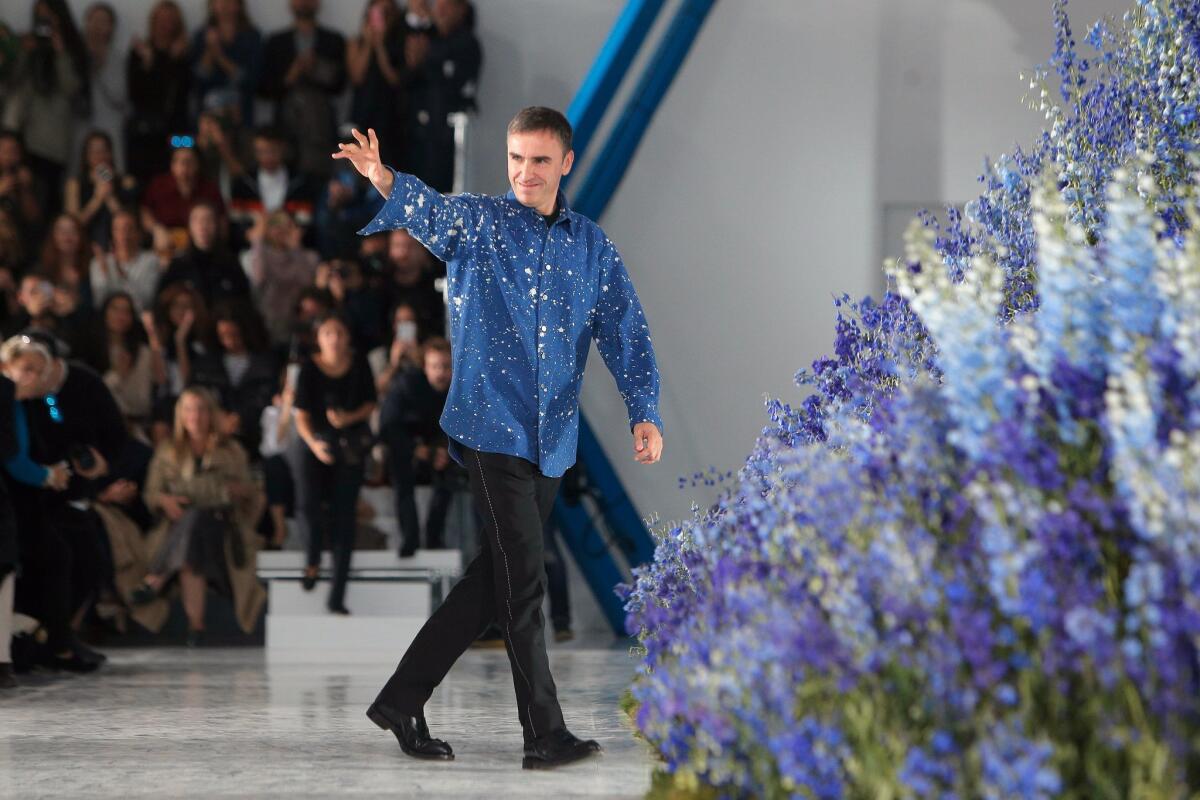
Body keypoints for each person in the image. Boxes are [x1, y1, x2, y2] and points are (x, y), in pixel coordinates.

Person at [335, 106, 664, 768]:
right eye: (516, 158)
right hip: (491, 424)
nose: (524, 172)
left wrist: (643, 408)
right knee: (524, 586)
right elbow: (426, 209)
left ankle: (401, 698)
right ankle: (543, 733)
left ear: (565, 163)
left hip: (552, 438)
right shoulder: (479, 223)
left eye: (539, 160)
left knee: (496, 582)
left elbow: (624, 327)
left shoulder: (590, 246)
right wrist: (381, 177)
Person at [133, 387, 267, 646]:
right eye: (189, 409)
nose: (195, 415)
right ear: (180, 415)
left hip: (224, 529)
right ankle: (196, 627)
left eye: (202, 409)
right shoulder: (168, 450)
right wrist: (164, 499)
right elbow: (151, 492)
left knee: (197, 518)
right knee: (192, 540)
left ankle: (155, 579)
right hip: (178, 531)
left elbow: (242, 491)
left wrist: (197, 492)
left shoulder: (231, 450)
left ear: (211, 414)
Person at [293, 313, 376, 615]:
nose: (335, 339)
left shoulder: (359, 364)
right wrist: (314, 444)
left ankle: (337, 595)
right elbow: (299, 413)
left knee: (345, 519)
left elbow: (370, 402)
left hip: (349, 448)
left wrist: (348, 419)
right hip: (315, 443)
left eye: (339, 332)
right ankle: (313, 558)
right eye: (328, 333)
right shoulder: (308, 370)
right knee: (308, 505)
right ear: (319, 338)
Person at [1, 0, 89, 218]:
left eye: (48, 17)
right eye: (39, 17)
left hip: (52, 141)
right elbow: (11, 83)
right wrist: (22, 53)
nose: (44, 23)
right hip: (21, 137)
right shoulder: (28, 44)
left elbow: (72, 88)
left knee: (47, 201)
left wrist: (61, 53)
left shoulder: (70, 46)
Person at [380, 336, 457, 556]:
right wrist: (417, 449)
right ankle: (410, 537)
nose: (441, 372)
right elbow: (388, 426)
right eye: (435, 366)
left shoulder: (459, 390)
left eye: (446, 366)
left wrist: (443, 450)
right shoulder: (406, 384)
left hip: (441, 448)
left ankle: (434, 536)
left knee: (452, 471)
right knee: (401, 467)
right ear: (425, 367)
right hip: (406, 446)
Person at [259, 0, 346, 179]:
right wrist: (291, 75)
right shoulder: (276, 42)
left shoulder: (333, 40)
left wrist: (316, 69)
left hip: (320, 129)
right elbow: (264, 89)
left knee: (318, 179)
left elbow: (341, 86)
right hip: (285, 127)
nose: (303, 3)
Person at [402, 0, 481, 192]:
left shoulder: (467, 43)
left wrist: (428, 60)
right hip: (420, 135)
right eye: (438, 6)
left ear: (461, 10)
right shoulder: (427, 40)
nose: (441, 12)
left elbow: (455, 84)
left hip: (448, 138)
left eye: (447, 7)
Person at [124, 0, 192, 182]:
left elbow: (185, 91)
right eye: (161, 20)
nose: (166, 25)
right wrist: (147, 65)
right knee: (142, 179)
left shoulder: (184, 54)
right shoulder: (140, 52)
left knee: (180, 169)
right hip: (145, 133)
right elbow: (135, 94)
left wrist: (176, 60)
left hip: (178, 133)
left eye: (171, 20)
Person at [245, 209, 319, 347]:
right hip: (266, 326)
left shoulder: (310, 257)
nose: (280, 230)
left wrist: (296, 250)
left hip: (300, 328)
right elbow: (258, 278)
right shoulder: (255, 255)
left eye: (287, 225)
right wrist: (257, 242)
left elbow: (308, 285)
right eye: (274, 224)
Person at [347, 0, 407, 167]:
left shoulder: (399, 43)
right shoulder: (356, 42)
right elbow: (357, 76)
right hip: (363, 111)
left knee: (389, 163)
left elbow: (395, 79)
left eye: (386, 13)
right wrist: (368, 43)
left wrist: (380, 46)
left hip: (390, 114)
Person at [157, 201, 249, 307]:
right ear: (189, 226)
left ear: (217, 225)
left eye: (208, 220)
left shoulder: (231, 264)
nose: (202, 226)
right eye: (196, 220)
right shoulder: (178, 266)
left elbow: (245, 305)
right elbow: (161, 303)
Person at [141, 145, 226, 259]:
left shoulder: (210, 189)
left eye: (189, 162)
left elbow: (222, 224)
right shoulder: (158, 185)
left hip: (200, 248)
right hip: (166, 247)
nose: (184, 167)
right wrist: (156, 229)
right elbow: (145, 212)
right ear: (172, 165)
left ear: (198, 165)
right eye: (179, 161)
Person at [189, 0, 261, 130]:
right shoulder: (201, 36)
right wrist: (210, 51)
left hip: (241, 110)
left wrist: (220, 57)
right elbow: (198, 79)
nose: (224, 5)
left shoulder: (252, 36)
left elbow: (251, 80)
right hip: (208, 112)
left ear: (239, 5)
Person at [64, 130, 138, 250]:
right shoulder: (75, 184)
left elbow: (129, 223)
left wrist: (109, 196)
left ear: (111, 153)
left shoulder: (126, 181)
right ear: (86, 155)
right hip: (85, 244)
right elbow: (73, 226)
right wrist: (97, 199)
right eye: (94, 151)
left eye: (104, 150)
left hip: (119, 244)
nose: (99, 155)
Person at [78, 3, 127, 171]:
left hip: (109, 128)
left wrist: (100, 66)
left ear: (111, 27)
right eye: (94, 20)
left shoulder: (118, 58)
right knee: (79, 174)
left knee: (108, 174)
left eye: (103, 21)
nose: (97, 26)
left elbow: (120, 97)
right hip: (80, 128)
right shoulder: (75, 55)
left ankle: (108, 194)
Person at [89, 209, 162, 311]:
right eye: (117, 229)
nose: (123, 235)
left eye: (128, 228)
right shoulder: (98, 262)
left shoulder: (150, 261)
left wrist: (119, 272)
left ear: (138, 233)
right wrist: (104, 273)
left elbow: (144, 302)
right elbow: (99, 302)